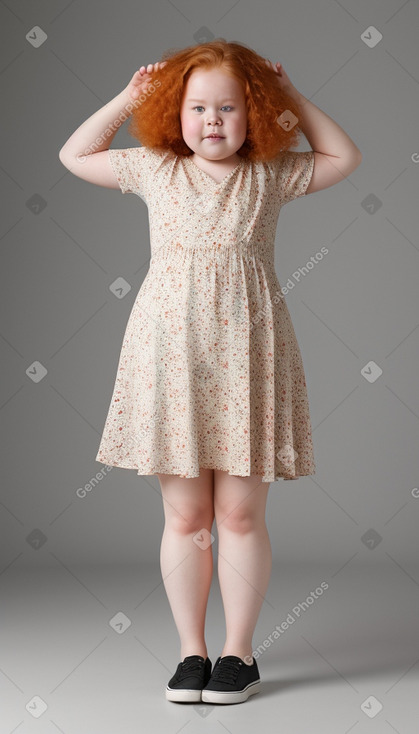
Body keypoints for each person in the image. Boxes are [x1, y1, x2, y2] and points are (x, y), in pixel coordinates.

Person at [59, 39, 362, 705]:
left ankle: (238, 653)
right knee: (186, 514)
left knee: (240, 515)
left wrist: (294, 98)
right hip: (168, 354)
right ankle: (191, 652)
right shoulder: (155, 168)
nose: (213, 121)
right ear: (176, 112)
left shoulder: (269, 173)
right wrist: (126, 99)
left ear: (254, 113)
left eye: (229, 107)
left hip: (249, 355)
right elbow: (74, 155)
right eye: (198, 107)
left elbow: (343, 156)